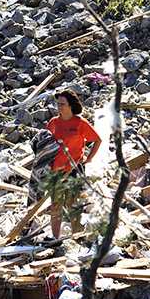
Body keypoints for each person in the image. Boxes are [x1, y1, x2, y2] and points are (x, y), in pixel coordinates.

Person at [44, 89, 101, 240]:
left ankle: (77, 236)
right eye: (58, 104)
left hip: (74, 169)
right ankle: (55, 238)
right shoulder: (54, 123)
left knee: (72, 204)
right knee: (56, 206)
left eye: (62, 104)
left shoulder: (80, 123)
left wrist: (88, 159)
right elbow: (45, 144)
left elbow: (97, 139)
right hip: (55, 171)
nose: (59, 107)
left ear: (71, 106)